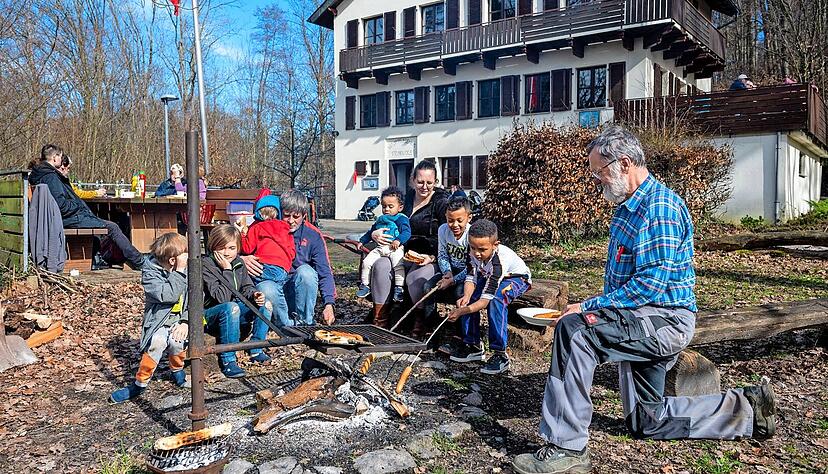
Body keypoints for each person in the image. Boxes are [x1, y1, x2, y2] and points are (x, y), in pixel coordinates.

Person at [511, 126, 776, 474]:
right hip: (639, 319)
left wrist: (589, 307)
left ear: (623, 163)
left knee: (575, 332)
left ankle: (566, 447)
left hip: (662, 320)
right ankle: (747, 409)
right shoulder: (627, 207)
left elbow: (649, 287)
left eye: (599, 172)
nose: (596, 181)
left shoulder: (658, 208)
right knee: (646, 421)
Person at [28, 144, 145, 270]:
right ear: (55, 158)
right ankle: (140, 261)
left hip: (58, 218)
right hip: (66, 219)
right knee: (113, 227)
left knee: (105, 226)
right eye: (61, 157)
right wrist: (78, 206)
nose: (62, 160)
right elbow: (61, 205)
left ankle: (123, 258)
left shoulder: (42, 174)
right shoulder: (51, 177)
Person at [108, 233, 189, 403]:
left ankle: (178, 372)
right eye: (184, 256)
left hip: (179, 320)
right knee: (157, 342)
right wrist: (180, 272)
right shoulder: (151, 273)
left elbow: (196, 298)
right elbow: (169, 295)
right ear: (173, 261)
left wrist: (185, 322)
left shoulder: (188, 271)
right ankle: (140, 383)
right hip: (159, 322)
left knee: (176, 342)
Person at [369, 160, 451, 328]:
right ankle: (380, 319)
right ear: (413, 180)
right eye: (420, 182)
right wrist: (374, 233)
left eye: (429, 182)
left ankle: (419, 323)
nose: (425, 186)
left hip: (429, 256)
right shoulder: (404, 201)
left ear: (435, 182)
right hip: (399, 251)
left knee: (414, 278)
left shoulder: (442, 203)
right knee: (381, 266)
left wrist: (432, 256)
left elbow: (449, 236)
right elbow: (384, 223)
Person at [447, 219, 530, 375]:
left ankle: (500, 353)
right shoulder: (472, 253)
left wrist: (461, 311)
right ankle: (473, 345)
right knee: (469, 299)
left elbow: (485, 300)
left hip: (516, 278)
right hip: (488, 275)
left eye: (482, 249)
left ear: (495, 245)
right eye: (473, 248)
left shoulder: (500, 260)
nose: (477, 253)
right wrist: (466, 296)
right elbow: (471, 278)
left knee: (498, 300)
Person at [242, 189, 337, 326]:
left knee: (306, 272)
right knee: (266, 288)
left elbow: (324, 271)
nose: (291, 221)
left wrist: (329, 303)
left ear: (304, 215)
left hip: (296, 289)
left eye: (296, 216)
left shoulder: (313, 235)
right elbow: (239, 248)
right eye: (286, 215)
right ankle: (284, 325)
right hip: (272, 287)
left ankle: (305, 322)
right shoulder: (262, 227)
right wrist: (244, 259)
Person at [202, 225, 270, 378]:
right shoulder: (206, 264)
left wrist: (255, 294)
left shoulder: (238, 262)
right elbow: (222, 298)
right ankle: (228, 360)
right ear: (213, 246)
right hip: (211, 314)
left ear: (238, 248)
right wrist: (226, 269)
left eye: (231, 248)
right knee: (231, 307)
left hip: (233, 311)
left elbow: (246, 286)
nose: (226, 253)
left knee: (266, 304)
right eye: (221, 247)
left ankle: (256, 348)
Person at [236, 194, 295, 334]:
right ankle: (289, 320)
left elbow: (247, 248)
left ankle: (283, 321)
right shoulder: (285, 228)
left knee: (245, 275)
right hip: (282, 269)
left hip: (266, 266)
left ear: (259, 213)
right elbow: (292, 251)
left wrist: (242, 234)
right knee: (275, 288)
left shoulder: (258, 227)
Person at [422, 196, 472, 346]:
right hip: (450, 270)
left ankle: (460, 334)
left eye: (459, 220)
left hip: (467, 274)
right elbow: (442, 255)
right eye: (450, 220)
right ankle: (431, 330)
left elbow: (472, 267)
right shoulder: (443, 230)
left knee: (459, 294)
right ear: (445, 217)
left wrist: (454, 280)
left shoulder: (472, 234)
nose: (454, 224)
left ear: (468, 218)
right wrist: (447, 273)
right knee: (428, 288)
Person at [356, 187, 411, 303]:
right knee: (366, 262)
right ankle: (365, 285)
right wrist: (362, 241)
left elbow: (407, 232)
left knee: (398, 266)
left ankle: (399, 288)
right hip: (380, 248)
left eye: (391, 207)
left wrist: (399, 240)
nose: (386, 209)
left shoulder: (401, 218)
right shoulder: (380, 219)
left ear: (400, 207)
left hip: (395, 248)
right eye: (384, 206)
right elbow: (371, 231)